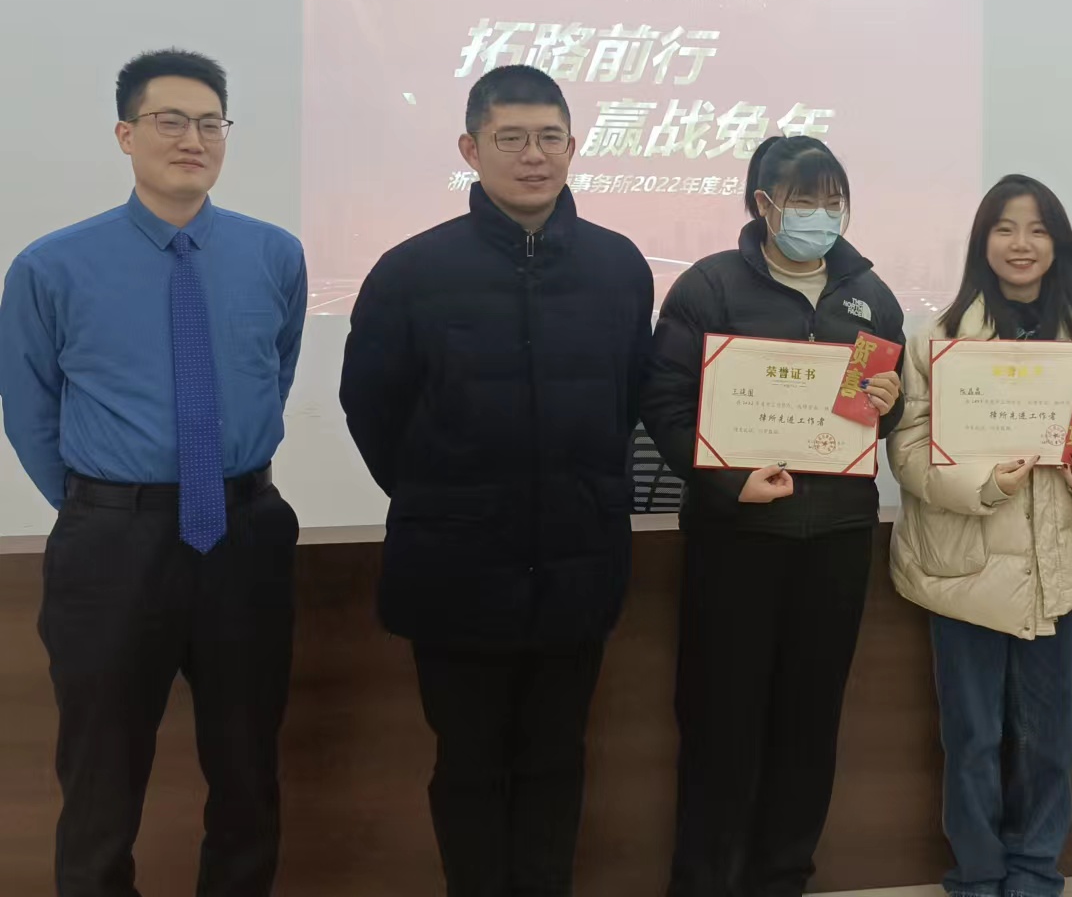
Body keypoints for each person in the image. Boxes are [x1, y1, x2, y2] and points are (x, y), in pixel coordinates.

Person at [338, 64, 653, 897]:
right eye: (511, 138)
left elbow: (624, 399)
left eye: (550, 137)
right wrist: (444, 499)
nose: (533, 155)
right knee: (469, 763)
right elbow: (371, 408)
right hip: (456, 571)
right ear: (470, 149)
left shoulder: (620, 267)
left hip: (577, 565)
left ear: (574, 146)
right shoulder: (411, 271)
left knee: (557, 759)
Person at [0, 50, 306, 897]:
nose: (192, 139)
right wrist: (100, 503)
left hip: (245, 536)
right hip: (112, 545)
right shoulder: (51, 266)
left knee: (248, 771)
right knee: (100, 778)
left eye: (210, 122)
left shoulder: (274, 254)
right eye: (170, 121)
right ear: (125, 134)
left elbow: (274, 372)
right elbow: (29, 410)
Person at [641, 134, 905, 897]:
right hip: (738, 540)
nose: (822, 215)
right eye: (804, 200)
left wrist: (888, 404)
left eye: (834, 200)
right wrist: (729, 485)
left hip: (837, 538)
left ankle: (782, 879)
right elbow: (664, 406)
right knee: (720, 726)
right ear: (764, 204)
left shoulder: (870, 297)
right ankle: (704, 881)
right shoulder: (710, 288)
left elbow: (873, 417)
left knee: (808, 727)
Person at [888, 175, 1072, 897]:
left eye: (1037, 229)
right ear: (981, 242)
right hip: (964, 569)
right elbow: (908, 451)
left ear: (1059, 244)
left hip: (1059, 568)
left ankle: (1034, 874)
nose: (1021, 244)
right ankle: (978, 875)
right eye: (1004, 228)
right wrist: (985, 483)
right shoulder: (936, 340)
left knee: (1050, 741)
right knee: (972, 741)